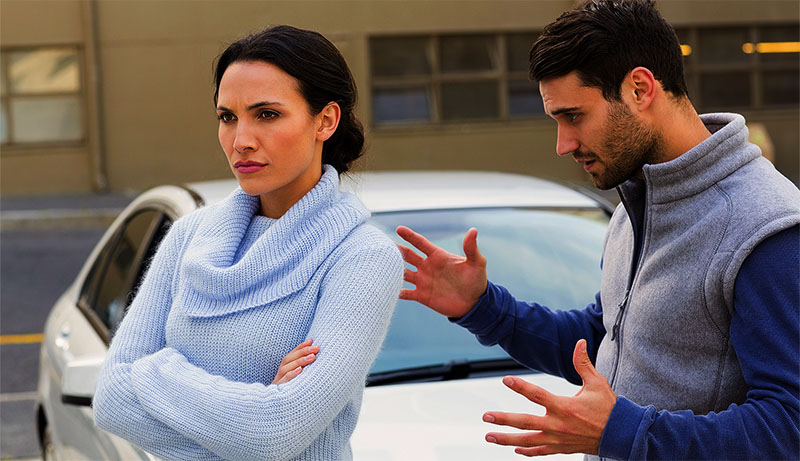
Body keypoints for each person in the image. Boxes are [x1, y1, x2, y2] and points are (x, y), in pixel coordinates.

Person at [396, 0, 800, 459]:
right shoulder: (637, 200)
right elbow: (606, 340)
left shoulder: (766, 228)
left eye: (574, 116)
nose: (562, 144)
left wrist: (623, 431)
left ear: (640, 89)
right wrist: (484, 308)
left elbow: (789, 426)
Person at [93, 25, 403, 460]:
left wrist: (155, 371)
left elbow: (273, 433)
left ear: (325, 121)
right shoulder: (188, 235)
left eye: (267, 114)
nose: (241, 141)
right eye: (228, 117)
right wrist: (254, 408)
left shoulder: (361, 257)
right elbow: (110, 402)